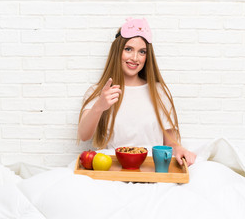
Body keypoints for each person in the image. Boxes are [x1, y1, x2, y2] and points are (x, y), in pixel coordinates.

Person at [77, 17, 196, 166]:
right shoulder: (99, 92)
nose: (135, 58)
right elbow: (83, 135)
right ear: (117, 51)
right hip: (113, 169)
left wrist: (180, 150)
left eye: (142, 52)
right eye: (128, 49)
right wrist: (99, 106)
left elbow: (171, 145)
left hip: (151, 170)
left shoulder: (158, 92)